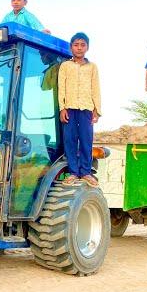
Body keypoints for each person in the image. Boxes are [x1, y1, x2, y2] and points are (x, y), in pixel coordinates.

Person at [58, 32, 102, 187]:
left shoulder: (92, 67)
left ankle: (86, 172)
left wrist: (97, 110)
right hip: (69, 107)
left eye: (82, 45)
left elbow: (95, 88)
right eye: (76, 45)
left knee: (86, 140)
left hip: (86, 108)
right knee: (69, 140)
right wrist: (62, 108)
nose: (79, 48)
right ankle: (73, 172)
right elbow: (61, 88)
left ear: (87, 47)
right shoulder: (65, 66)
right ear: (71, 47)